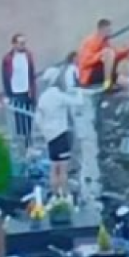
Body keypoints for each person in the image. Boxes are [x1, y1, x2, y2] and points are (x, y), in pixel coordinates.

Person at [34, 67, 77, 196]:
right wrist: (78, 90)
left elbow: (38, 118)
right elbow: (77, 102)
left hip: (50, 137)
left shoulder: (43, 97)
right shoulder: (58, 95)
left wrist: (45, 131)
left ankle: (54, 195)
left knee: (53, 168)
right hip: (61, 134)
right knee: (63, 168)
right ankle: (63, 195)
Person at [0, 35, 37, 144]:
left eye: (24, 43)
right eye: (20, 43)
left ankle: (28, 141)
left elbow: (32, 74)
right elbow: (5, 76)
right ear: (14, 44)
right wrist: (8, 93)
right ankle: (22, 142)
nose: (23, 45)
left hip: (28, 91)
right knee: (19, 118)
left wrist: (33, 91)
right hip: (16, 92)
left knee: (29, 117)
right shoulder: (8, 58)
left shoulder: (28, 56)